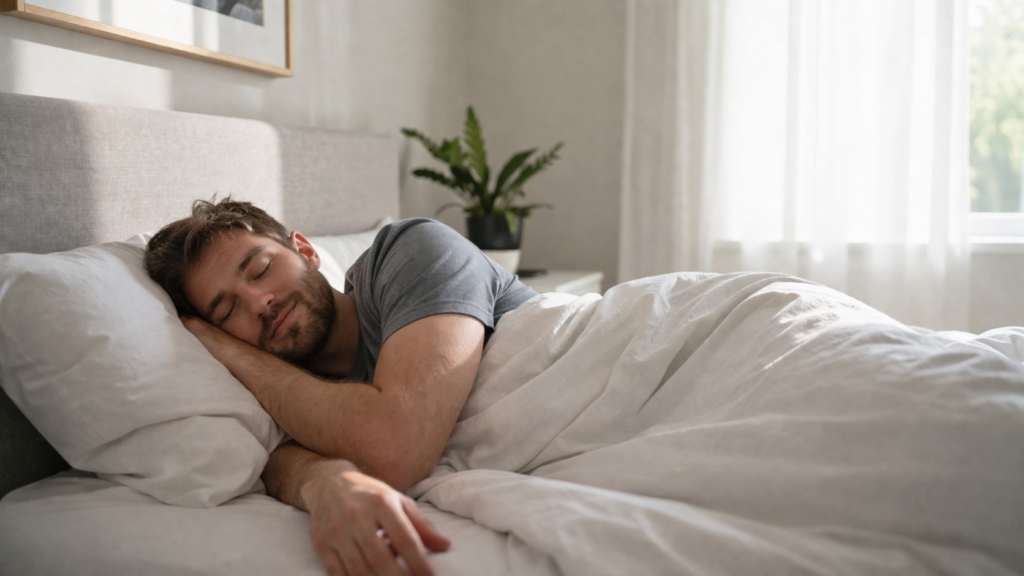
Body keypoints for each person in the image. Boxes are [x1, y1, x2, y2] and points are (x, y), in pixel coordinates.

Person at [144, 198, 538, 576]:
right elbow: (278, 459)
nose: (260, 302)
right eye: (228, 311)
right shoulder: (290, 399)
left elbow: (396, 445)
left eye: (262, 269)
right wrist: (326, 480)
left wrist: (229, 350)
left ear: (306, 251)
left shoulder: (411, 250)